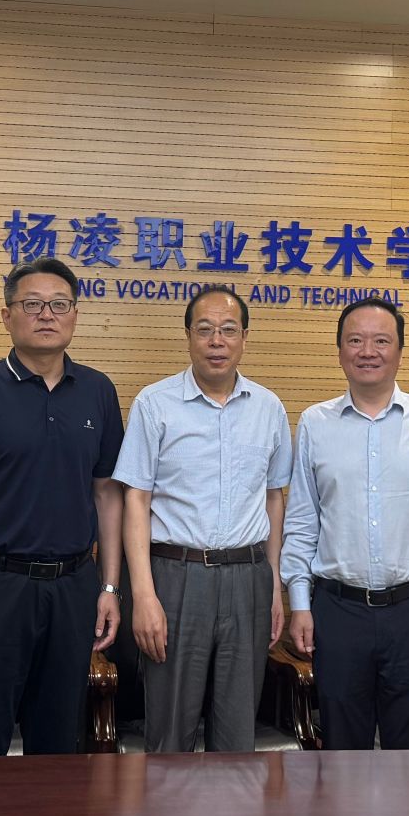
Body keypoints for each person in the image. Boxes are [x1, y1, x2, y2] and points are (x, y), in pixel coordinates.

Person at [0, 258, 124, 757]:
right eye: (32, 304)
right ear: (7, 316)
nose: (47, 315)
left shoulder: (98, 391)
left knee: (58, 744)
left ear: (75, 315)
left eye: (59, 304)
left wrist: (108, 586)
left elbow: (107, 495)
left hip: (73, 587)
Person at [282, 298, 409, 751]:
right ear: (340, 351)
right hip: (337, 610)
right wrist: (299, 603)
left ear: (400, 352)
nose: (368, 351)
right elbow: (303, 521)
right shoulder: (315, 423)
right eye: (356, 340)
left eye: (381, 341)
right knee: (341, 752)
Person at [117, 286, 292, 753]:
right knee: (170, 732)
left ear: (245, 338)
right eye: (205, 329)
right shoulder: (155, 404)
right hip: (176, 576)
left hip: (248, 578)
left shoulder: (269, 408)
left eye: (228, 330)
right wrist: (143, 595)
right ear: (189, 336)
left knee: (237, 734)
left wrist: (273, 583)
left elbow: (274, 498)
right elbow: (135, 500)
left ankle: (231, 807)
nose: (217, 341)